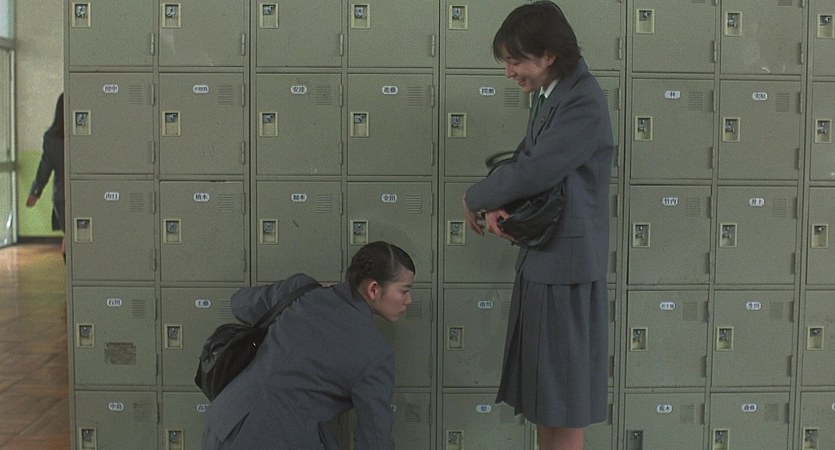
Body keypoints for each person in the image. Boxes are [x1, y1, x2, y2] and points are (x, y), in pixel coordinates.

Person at [461, 2, 613, 449]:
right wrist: (499, 202)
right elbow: (530, 160)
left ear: (549, 55)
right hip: (546, 262)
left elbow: (536, 169)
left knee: (559, 403)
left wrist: (476, 197)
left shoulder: (582, 101)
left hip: (564, 269)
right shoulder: (554, 93)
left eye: (515, 61)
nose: (509, 72)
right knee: (546, 401)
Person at [202, 241, 415, 449]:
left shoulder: (300, 290)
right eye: (404, 290)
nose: (409, 300)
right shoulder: (376, 354)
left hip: (224, 421)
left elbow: (240, 303)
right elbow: (375, 439)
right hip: (276, 439)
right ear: (374, 289)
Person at [26, 93, 66, 258]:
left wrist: (35, 192)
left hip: (62, 197)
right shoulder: (87, 138)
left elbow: (45, 167)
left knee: (69, 235)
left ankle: (71, 272)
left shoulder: (52, 138)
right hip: (84, 194)